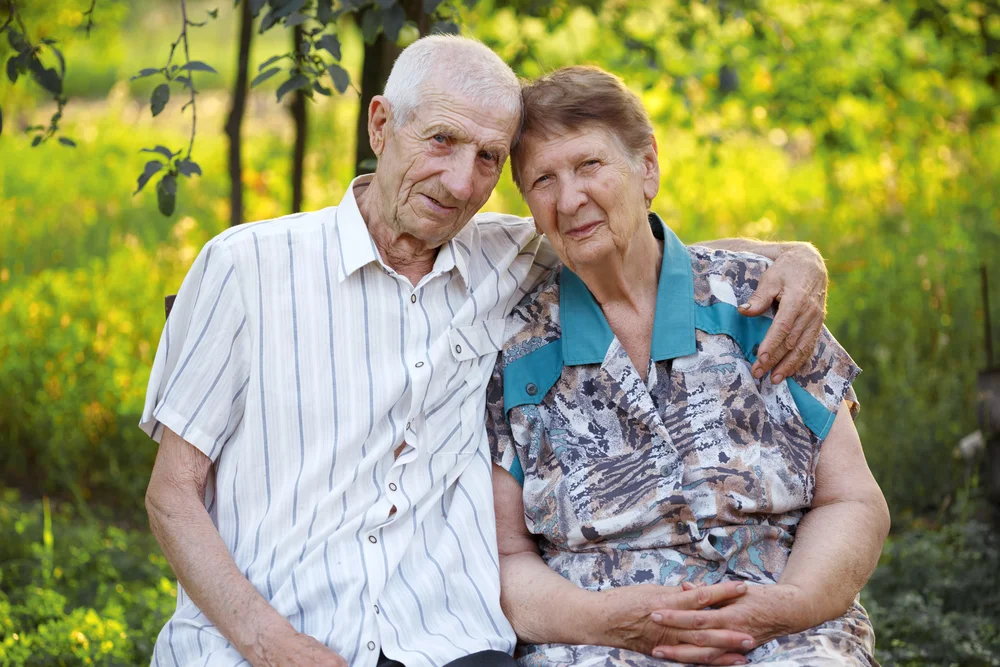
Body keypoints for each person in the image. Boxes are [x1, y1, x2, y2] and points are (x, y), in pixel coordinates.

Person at [140, 38, 833, 667]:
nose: (462, 183)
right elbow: (172, 494)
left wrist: (795, 258)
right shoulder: (245, 267)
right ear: (381, 125)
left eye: (488, 159)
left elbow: (636, 241)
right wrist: (273, 645)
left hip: (442, 641)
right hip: (261, 641)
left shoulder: (508, 254)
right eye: (441, 140)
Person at [487, 66, 891, 666]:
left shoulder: (760, 304)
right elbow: (508, 555)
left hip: (786, 634)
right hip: (599, 645)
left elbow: (850, 500)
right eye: (543, 180)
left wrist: (786, 606)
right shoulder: (513, 346)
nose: (569, 199)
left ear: (647, 167)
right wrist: (610, 623)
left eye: (589, 166)